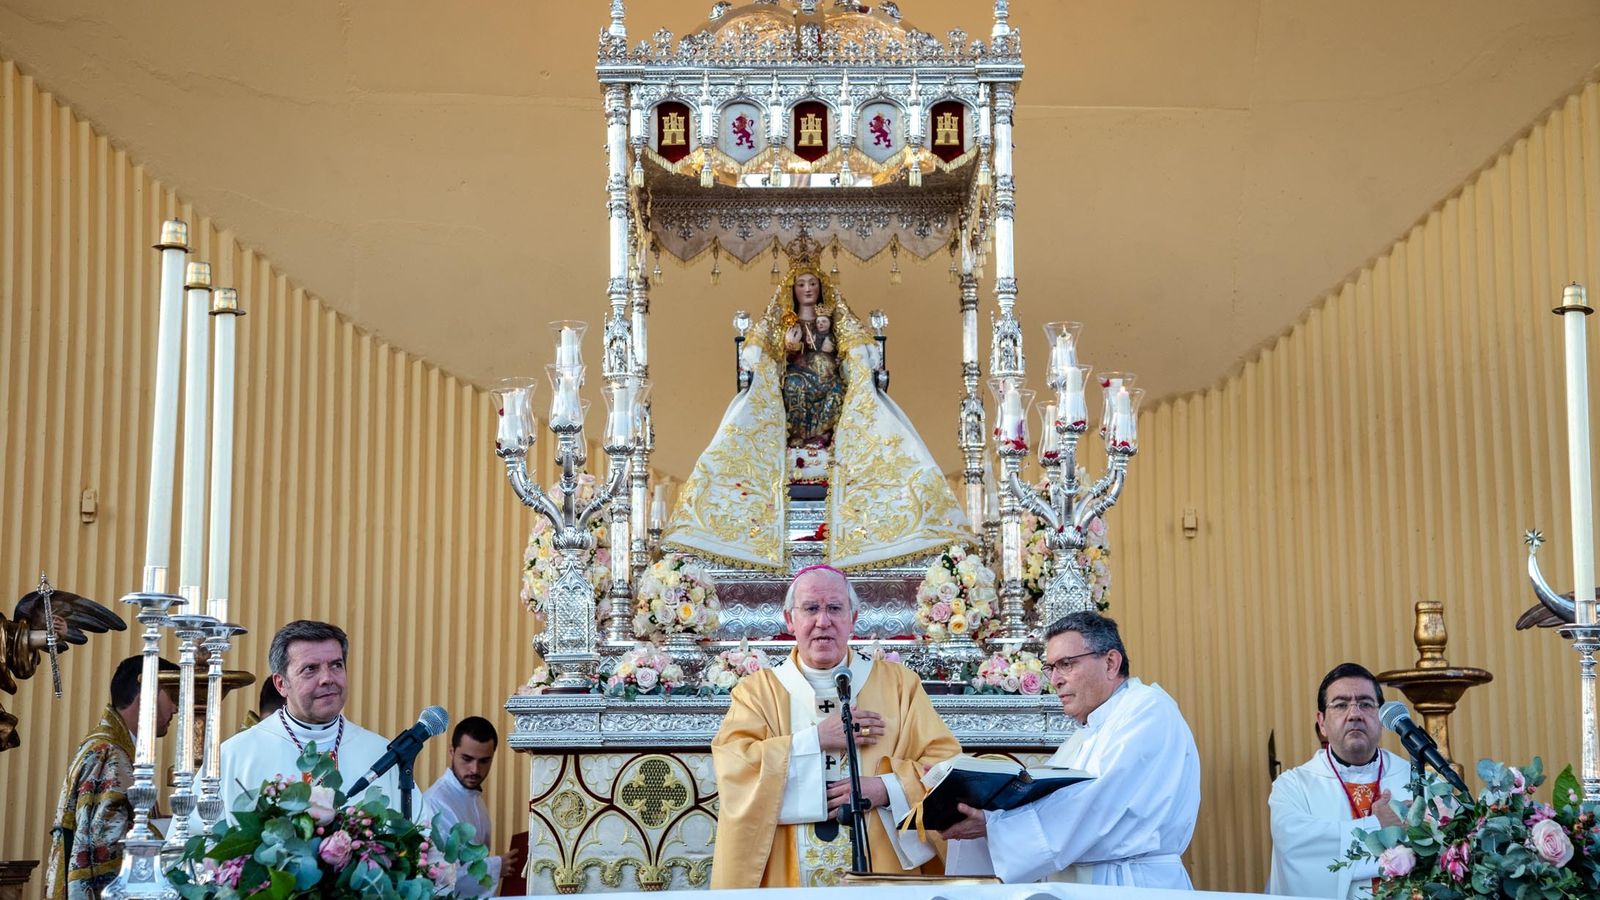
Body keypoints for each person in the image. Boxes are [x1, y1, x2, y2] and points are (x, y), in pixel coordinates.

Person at [662, 236, 969, 570]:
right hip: (792, 381)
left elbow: (852, 346)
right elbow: (763, 353)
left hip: (828, 381)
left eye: (812, 283)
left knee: (830, 379)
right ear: (792, 289)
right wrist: (787, 349)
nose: (807, 289)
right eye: (801, 284)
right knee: (794, 382)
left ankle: (821, 436)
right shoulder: (784, 321)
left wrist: (843, 353)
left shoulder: (833, 317)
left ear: (821, 287)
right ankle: (800, 437)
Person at [710, 565, 960, 888]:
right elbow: (734, 769)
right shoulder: (757, 693)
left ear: (853, 619)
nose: (822, 621)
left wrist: (887, 789)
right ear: (790, 620)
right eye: (811, 608)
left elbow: (945, 764)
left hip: (884, 873)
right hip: (788, 878)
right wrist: (815, 740)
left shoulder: (900, 687)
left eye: (834, 608)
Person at [940, 611, 1200, 887]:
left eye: (1066, 664)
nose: (1055, 680)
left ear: (1111, 662)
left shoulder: (1148, 710)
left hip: (1132, 884)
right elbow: (1044, 803)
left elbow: (1096, 803)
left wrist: (996, 826)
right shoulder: (1085, 734)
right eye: (1050, 668)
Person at [219, 620, 419, 818]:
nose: (327, 678)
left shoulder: (381, 754)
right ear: (281, 684)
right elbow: (201, 838)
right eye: (310, 669)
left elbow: (421, 834)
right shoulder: (235, 755)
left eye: (336, 665)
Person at [1268, 663, 1411, 898]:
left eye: (1365, 704)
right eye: (1341, 705)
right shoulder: (1292, 786)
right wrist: (1379, 827)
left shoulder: (1413, 776)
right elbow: (1298, 847)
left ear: (1381, 717)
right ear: (1322, 722)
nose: (1354, 714)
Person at [45, 654, 179, 900]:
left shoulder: (117, 749)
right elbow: (106, 843)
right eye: (173, 696)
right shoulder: (108, 754)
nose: (176, 708)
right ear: (148, 694)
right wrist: (172, 833)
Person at [421, 716, 524, 897]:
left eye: (484, 761)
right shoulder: (435, 804)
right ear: (452, 752)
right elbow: (438, 878)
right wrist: (496, 866)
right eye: (467, 759)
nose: (475, 770)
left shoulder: (474, 797)